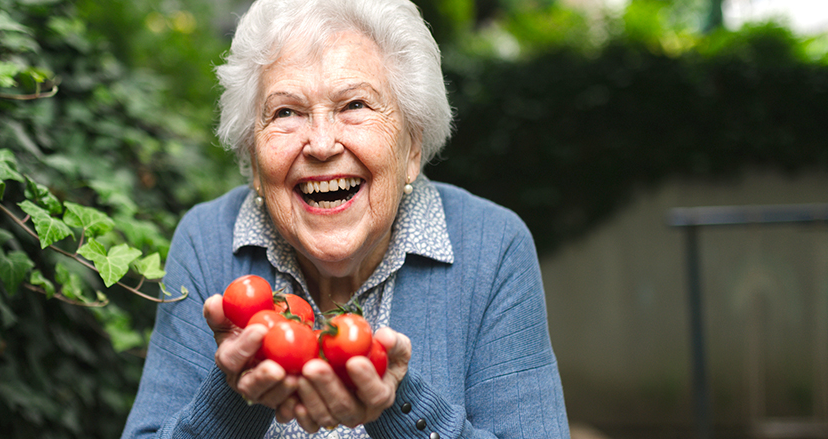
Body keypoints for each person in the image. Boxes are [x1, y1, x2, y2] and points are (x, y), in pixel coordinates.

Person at [122, 0, 569, 437]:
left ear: (412, 147)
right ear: (254, 162)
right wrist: (235, 396)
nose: (320, 143)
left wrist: (398, 406)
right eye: (286, 112)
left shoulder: (492, 244)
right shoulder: (206, 239)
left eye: (354, 105)